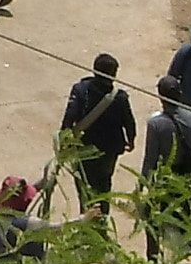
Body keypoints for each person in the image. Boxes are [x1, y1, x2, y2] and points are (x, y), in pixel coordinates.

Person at [57, 54, 136, 221]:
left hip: (84, 148)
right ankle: (102, 220)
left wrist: (64, 139)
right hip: (109, 151)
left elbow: (69, 116)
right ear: (114, 74)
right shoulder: (120, 97)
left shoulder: (81, 90)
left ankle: (86, 220)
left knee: (83, 186)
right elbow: (129, 121)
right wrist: (131, 140)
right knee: (104, 185)